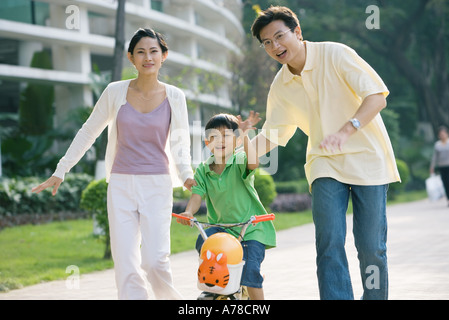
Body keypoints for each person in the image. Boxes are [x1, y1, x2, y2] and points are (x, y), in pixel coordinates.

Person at [32, 28, 196, 300]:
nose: (148, 57)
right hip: (120, 184)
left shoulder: (174, 96)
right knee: (126, 264)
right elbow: (88, 131)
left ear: (163, 56)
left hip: (157, 184)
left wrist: (187, 174)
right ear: (131, 57)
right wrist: (61, 170)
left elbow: (180, 142)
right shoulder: (115, 92)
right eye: (141, 52)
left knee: (155, 261)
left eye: (154, 51)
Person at [249, 6, 400, 300]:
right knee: (328, 242)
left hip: (368, 159)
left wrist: (346, 130)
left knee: (371, 247)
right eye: (267, 42)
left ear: (298, 32)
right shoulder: (281, 85)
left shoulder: (335, 54)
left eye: (280, 37)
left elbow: (376, 96)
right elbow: (272, 135)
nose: (275, 46)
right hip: (324, 163)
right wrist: (229, 156)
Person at [177, 112, 276, 300]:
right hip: (222, 230)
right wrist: (189, 212)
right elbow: (197, 196)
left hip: (251, 229)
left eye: (226, 136)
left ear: (236, 141)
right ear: (207, 143)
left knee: (250, 273)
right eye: (214, 136)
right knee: (203, 242)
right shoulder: (203, 170)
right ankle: (217, 283)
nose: (220, 141)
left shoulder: (239, 160)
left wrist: (245, 135)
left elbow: (253, 163)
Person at [430, 126, 449, 206]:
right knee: (445, 183)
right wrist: (432, 166)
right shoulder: (437, 145)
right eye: (441, 134)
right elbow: (435, 157)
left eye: (443, 134)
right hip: (442, 167)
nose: (442, 135)